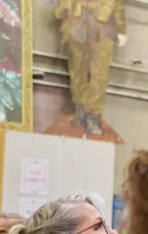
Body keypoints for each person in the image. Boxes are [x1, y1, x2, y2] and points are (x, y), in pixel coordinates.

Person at [55, 0, 127, 135]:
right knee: (77, 72)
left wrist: (121, 28)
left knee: (99, 74)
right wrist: (65, 11)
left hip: (104, 25)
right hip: (77, 21)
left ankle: (93, 115)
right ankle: (81, 110)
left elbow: (118, 3)